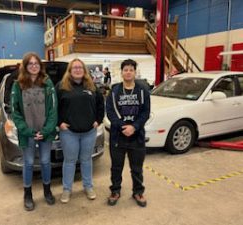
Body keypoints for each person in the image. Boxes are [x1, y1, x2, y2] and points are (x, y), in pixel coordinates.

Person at [11, 52, 57, 211]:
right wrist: (28, 131)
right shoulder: (18, 85)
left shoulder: (48, 83)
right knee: (28, 163)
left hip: (45, 133)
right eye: (30, 64)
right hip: (27, 134)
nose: (33, 66)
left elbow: (53, 109)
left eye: (36, 63)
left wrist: (46, 130)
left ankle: (47, 190)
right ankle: (28, 194)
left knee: (45, 161)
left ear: (40, 66)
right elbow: (15, 111)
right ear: (25, 66)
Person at [56, 58, 104, 203]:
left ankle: (88, 186)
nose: (77, 70)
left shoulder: (92, 87)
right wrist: (59, 123)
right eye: (74, 68)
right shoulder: (61, 87)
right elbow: (54, 108)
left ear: (84, 70)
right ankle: (67, 189)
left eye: (80, 67)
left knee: (86, 160)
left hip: (89, 132)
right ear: (70, 71)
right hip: (69, 133)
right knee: (69, 161)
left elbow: (101, 105)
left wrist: (98, 120)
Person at [106, 59, 150, 207]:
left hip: (137, 136)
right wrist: (123, 126)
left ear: (135, 72)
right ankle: (115, 190)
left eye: (131, 69)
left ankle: (138, 192)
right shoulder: (114, 91)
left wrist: (134, 127)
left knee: (137, 168)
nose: (128, 72)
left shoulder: (143, 90)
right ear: (121, 72)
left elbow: (145, 112)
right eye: (126, 70)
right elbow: (110, 112)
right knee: (116, 167)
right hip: (118, 136)